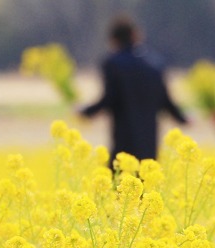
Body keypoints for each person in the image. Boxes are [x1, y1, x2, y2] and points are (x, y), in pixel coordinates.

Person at [80, 15, 189, 163]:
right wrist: (183, 118)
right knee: (146, 181)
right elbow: (165, 100)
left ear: (113, 40)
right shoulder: (155, 64)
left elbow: (109, 98)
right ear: (136, 36)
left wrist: (86, 112)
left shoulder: (112, 63)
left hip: (123, 141)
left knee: (119, 181)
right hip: (149, 141)